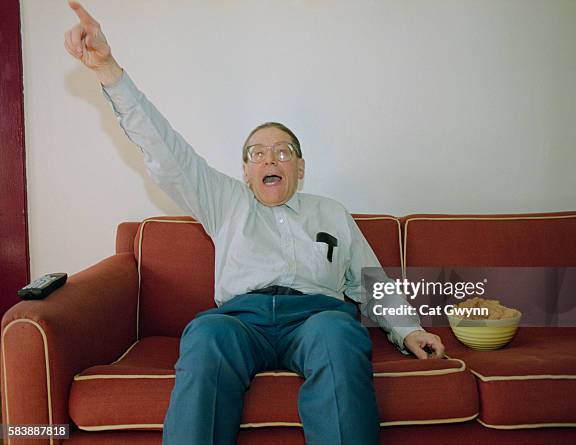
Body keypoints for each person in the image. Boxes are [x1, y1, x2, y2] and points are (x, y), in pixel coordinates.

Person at [64, 2, 445, 444]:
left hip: (315, 318)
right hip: (239, 320)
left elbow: (370, 284)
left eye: (283, 152)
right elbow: (165, 149)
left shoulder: (331, 212)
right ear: (245, 171)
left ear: (300, 168)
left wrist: (410, 330)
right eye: (257, 153)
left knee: (340, 331)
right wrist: (108, 69)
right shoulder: (224, 200)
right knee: (207, 332)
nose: (270, 159)